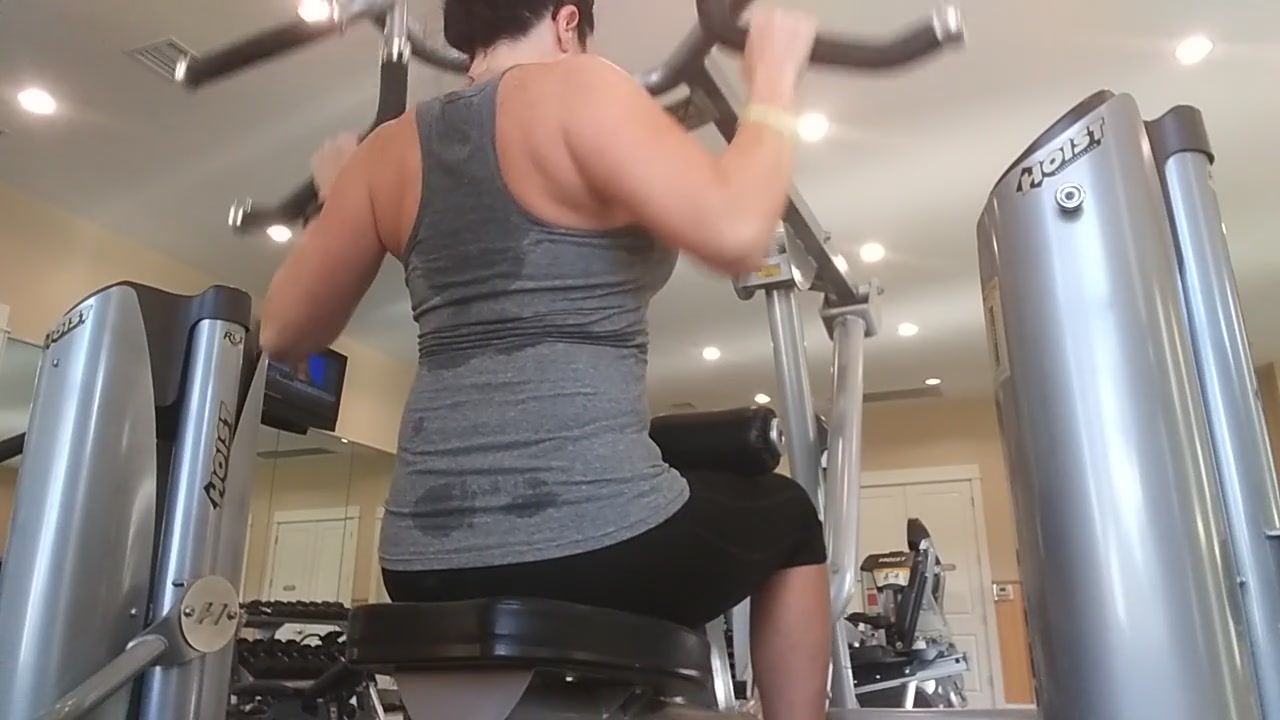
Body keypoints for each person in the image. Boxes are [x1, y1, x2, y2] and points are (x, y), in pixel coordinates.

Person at [260, 2, 828, 717]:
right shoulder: (581, 84)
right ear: (566, 21)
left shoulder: (387, 150)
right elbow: (740, 231)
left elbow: (282, 332)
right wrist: (772, 85)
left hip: (418, 565)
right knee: (789, 515)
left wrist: (341, 198)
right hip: (593, 542)